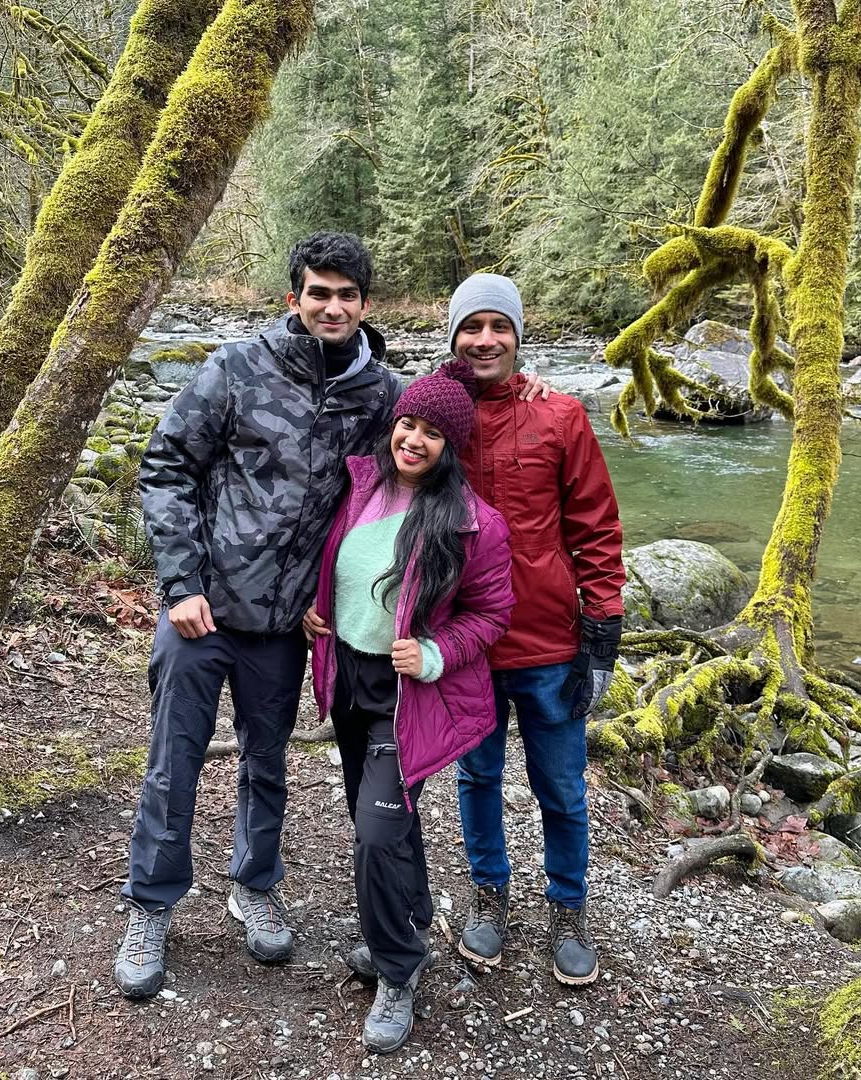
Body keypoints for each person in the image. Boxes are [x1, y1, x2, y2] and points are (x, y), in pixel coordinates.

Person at [113, 232, 404, 999]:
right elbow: (166, 466)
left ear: (364, 305)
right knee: (174, 762)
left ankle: (255, 885)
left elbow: (428, 454)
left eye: (346, 295)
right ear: (293, 298)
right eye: (319, 293)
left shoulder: (380, 396)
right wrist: (180, 584)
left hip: (283, 626)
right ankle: (151, 905)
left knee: (266, 764)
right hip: (201, 614)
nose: (332, 307)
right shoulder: (236, 368)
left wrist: (520, 386)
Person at [303, 360, 513, 1053]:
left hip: (409, 697)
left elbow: (492, 615)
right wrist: (316, 611)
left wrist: (434, 652)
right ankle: (412, 912)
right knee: (382, 823)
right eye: (408, 424)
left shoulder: (473, 524)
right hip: (349, 680)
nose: (413, 440)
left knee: (374, 830)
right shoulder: (360, 485)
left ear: (451, 447)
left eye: (432, 433)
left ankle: (398, 967)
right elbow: (338, 568)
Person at [449, 274, 626, 986]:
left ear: (519, 336)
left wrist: (602, 630)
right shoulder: (436, 415)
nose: (485, 340)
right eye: (471, 327)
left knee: (562, 787)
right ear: (453, 337)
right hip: (465, 641)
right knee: (476, 775)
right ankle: (488, 893)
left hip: (550, 640)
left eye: (499, 326)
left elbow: (597, 526)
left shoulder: (561, 414)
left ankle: (568, 907)